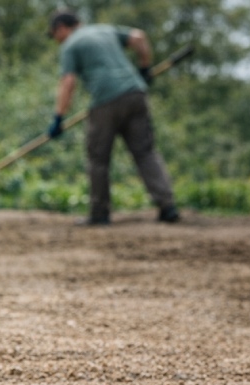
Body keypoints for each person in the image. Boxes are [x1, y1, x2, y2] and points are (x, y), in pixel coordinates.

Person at [47, 9, 180, 225]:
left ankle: (99, 213)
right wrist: (144, 68)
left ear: (61, 28)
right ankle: (167, 206)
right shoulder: (105, 30)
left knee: (98, 158)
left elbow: (68, 82)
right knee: (145, 152)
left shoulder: (70, 45)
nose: (56, 40)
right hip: (136, 93)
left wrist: (58, 118)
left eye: (54, 35)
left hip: (105, 101)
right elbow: (139, 37)